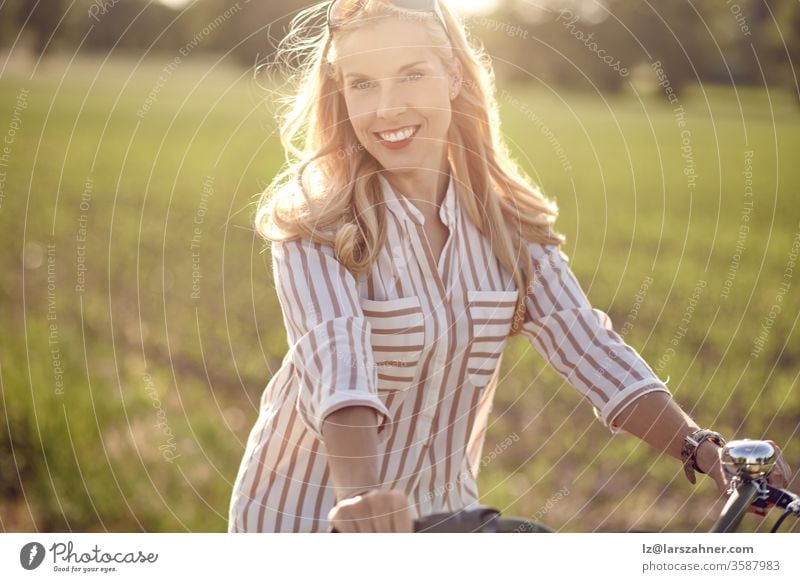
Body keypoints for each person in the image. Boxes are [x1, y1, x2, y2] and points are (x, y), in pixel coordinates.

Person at [227, 0, 793, 533]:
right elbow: (337, 366)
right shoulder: (314, 226)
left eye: (412, 74)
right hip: (304, 521)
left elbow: (588, 347)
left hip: (444, 515)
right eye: (363, 84)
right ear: (341, 95)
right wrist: (362, 498)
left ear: (453, 75)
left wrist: (703, 449)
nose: (386, 108)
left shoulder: (509, 226)